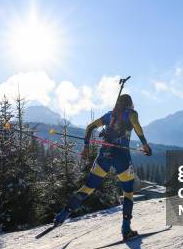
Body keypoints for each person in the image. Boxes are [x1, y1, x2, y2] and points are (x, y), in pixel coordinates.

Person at [53, 94, 152, 240]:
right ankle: (126, 229)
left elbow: (90, 127)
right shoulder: (131, 114)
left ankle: (62, 216)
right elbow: (137, 127)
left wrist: (86, 147)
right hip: (122, 158)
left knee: (88, 187)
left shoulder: (109, 115)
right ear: (130, 104)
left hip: (104, 155)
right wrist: (145, 144)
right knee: (128, 192)